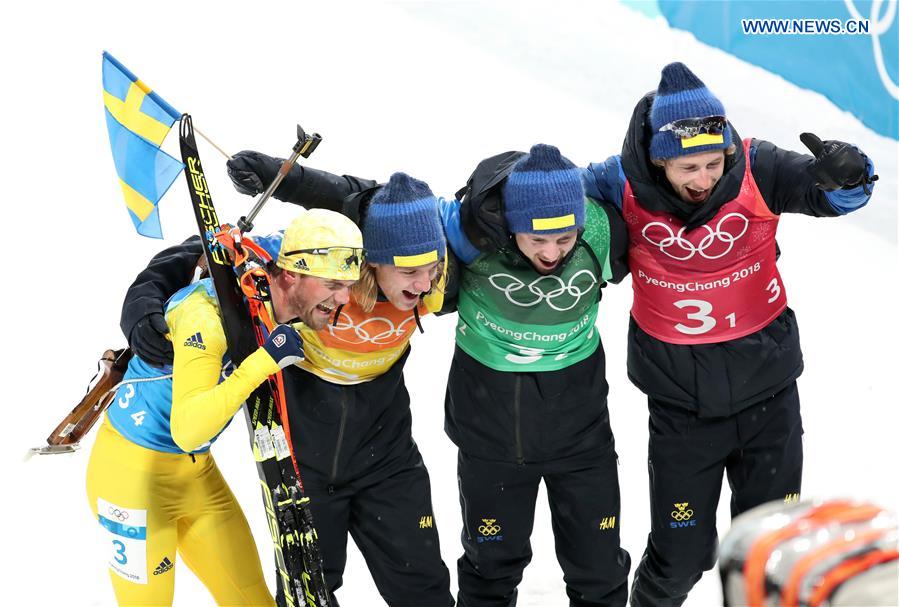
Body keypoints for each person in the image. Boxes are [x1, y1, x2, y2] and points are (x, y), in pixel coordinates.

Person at [581, 62, 878, 607]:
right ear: (657, 159)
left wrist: (852, 175)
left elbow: (836, 197)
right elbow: (539, 209)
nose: (703, 179)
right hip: (680, 408)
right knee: (681, 559)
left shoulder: (756, 166)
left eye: (713, 163)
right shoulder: (616, 181)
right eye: (687, 167)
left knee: (770, 548)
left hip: (768, 396)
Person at [122, 172, 456, 606]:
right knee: (308, 595)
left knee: (424, 588)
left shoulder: (437, 267)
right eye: (409, 271)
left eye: (432, 270)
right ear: (369, 256)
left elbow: (485, 216)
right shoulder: (317, 258)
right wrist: (142, 305)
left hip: (386, 456)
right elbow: (206, 254)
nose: (423, 284)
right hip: (305, 458)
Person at [87, 208, 363, 606]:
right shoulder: (205, 317)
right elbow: (189, 430)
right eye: (334, 285)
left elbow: (265, 239)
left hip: (196, 476)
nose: (344, 298)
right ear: (291, 276)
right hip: (131, 481)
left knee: (252, 600)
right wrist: (266, 360)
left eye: (348, 284)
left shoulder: (280, 277)